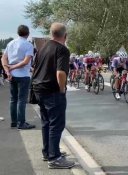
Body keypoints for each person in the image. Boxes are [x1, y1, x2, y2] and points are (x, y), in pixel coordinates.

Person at [32, 22, 75, 169]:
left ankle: (48, 152)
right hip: (52, 90)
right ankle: (54, 158)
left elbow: (35, 68)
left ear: (51, 34)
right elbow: (61, 72)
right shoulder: (62, 49)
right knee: (56, 124)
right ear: (65, 35)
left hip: (39, 89)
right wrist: (62, 89)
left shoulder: (42, 48)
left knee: (46, 122)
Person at [1, 25, 36, 129]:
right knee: (21, 100)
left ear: (18, 33)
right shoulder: (28, 45)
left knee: (13, 99)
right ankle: (21, 123)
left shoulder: (10, 43)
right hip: (23, 75)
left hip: (12, 75)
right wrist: (12, 68)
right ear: (28, 33)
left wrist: (8, 70)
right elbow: (25, 62)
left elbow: (3, 58)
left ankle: (14, 122)